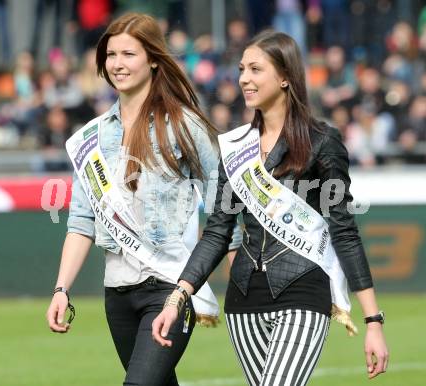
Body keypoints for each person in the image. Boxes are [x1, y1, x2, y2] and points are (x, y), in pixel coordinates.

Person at [152, 30, 389, 386]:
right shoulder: (235, 147)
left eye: (255, 69)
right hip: (244, 301)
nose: (244, 78)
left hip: (304, 292)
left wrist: (373, 322)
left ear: (284, 77)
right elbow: (218, 231)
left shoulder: (322, 142)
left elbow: (344, 231)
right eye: (242, 69)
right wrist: (178, 296)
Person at [46, 13, 241, 386]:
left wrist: (242, 280)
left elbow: (224, 209)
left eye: (129, 54)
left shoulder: (185, 126)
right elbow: (81, 222)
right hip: (117, 291)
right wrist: (61, 289)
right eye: (111, 54)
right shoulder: (91, 137)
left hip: (170, 286)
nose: (118, 63)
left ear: (153, 58)